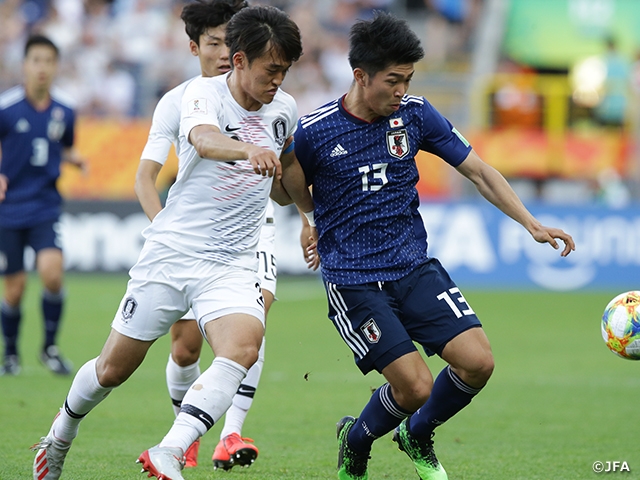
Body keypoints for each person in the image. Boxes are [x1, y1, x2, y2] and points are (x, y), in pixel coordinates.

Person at [32, 6, 314, 480]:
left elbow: (283, 174)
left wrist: (310, 212)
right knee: (111, 371)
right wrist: (250, 150)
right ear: (241, 61)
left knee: (244, 346)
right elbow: (204, 141)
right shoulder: (199, 95)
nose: (278, 81)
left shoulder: (283, 109)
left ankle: (170, 449)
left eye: (285, 71)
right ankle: (59, 434)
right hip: (173, 255)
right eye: (271, 70)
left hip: (231, 260)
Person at [294, 12, 575, 480]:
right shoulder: (315, 131)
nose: (401, 89)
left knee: (478, 363)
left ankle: (416, 435)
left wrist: (532, 224)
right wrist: (308, 219)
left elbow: (479, 171)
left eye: (408, 79)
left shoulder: (416, 114)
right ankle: (356, 441)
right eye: (393, 80)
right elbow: (288, 185)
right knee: (414, 387)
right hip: (354, 280)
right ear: (360, 76)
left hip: (413, 266)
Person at [134, 0, 273, 470]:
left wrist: (310, 218)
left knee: (254, 319)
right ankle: (189, 431)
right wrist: (164, 233)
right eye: (213, 42)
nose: (223, 52)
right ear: (195, 46)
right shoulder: (180, 100)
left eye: (231, 43)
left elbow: (288, 160)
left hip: (254, 231)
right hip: (190, 237)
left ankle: (229, 433)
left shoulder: (267, 97)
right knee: (185, 345)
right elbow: (145, 178)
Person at [0, 34, 85, 377]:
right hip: (8, 209)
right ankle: (10, 353)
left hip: (45, 204)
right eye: (36, 60)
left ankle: (49, 348)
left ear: (55, 66)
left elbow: (59, 146)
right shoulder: (6, 108)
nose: (42, 68)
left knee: (52, 274)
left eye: (48, 61)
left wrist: (73, 159)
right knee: (15, 288)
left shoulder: (65, 110)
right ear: (25, 65)